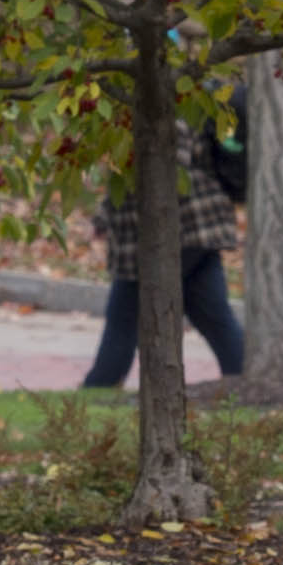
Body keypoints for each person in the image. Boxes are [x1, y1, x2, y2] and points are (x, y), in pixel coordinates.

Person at [84, 109, 248, 389]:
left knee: (123, 317)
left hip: (175, 235)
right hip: (194, 232)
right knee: (213, 316)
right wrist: (103, 216)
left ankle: (98, 388)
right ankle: (248, 380)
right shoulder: (133, 115)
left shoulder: (161, 108)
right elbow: (122, 178)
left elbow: (164, 172)